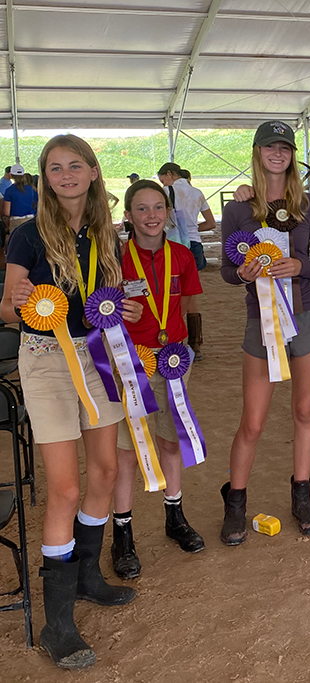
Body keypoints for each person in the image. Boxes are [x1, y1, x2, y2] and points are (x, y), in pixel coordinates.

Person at [0, 134, 142, 669]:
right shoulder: (28, 235)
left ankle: (86, 576)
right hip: (46, 360)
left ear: (91, 172)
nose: (65, 175)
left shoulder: (109, 233)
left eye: (74, 165)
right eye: (55, 167)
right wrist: (16, 304)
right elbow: (7, 311)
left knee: (104, 470)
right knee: (64, 487)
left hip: (99, 355)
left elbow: (109, 295)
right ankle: (57, 620)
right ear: (44, 176)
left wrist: (123, 312)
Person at [220, 120, 310, 542]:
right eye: (270, 146)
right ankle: (236, 502)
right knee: (252, 421)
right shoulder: (238, 208)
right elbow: (229, 273)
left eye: (285, 147)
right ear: (257, 152)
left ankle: (302, 496)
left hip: (308, 318)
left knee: (305, 411)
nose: (278, 153)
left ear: (292, 155)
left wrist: (300, 266)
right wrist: (245, 272)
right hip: (260, 321)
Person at [110, 180, 205, 579]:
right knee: (128, 449)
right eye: (142, 209)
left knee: (171, 437)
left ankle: (174, 516)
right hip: (130, 363)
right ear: (128, 216)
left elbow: (187, 303)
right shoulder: (115, 257)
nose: (151, 216)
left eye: (158, 208)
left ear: (169, 212)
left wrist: (186, 341)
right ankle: (122, 533)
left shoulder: (181, 255)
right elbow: (102, 309)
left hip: (172, 359)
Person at [157, 162, 214, 357]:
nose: (162, 182)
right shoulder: (197, 192)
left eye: (162, 178)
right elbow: (211, 222)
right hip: (194, 245)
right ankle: (195, 343)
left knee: (168, 291)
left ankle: (171, 335)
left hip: (172, 244)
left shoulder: (165, 191)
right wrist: (192, 230)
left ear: (169, 174)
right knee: (190, 294)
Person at [3, 163, 38, 232]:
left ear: (11, 175)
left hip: (16, 221)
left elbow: (6, 212)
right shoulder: (30, 189)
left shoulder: (9, 191)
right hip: (31, 220)